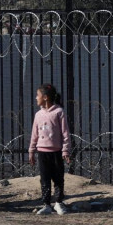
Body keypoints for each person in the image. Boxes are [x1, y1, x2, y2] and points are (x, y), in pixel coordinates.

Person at [28, 83, 71, 215]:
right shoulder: (38, 115)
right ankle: (46, 204)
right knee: (44, 178)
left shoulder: (59, 112)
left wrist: (65, 150)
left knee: (58, 178)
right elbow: (34, 134)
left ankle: (58, 202)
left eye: (38, 95)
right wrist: (31, 150)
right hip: (42, 152)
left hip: (56, 152)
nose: (36, 98)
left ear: (45, 97)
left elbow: (65, 133)